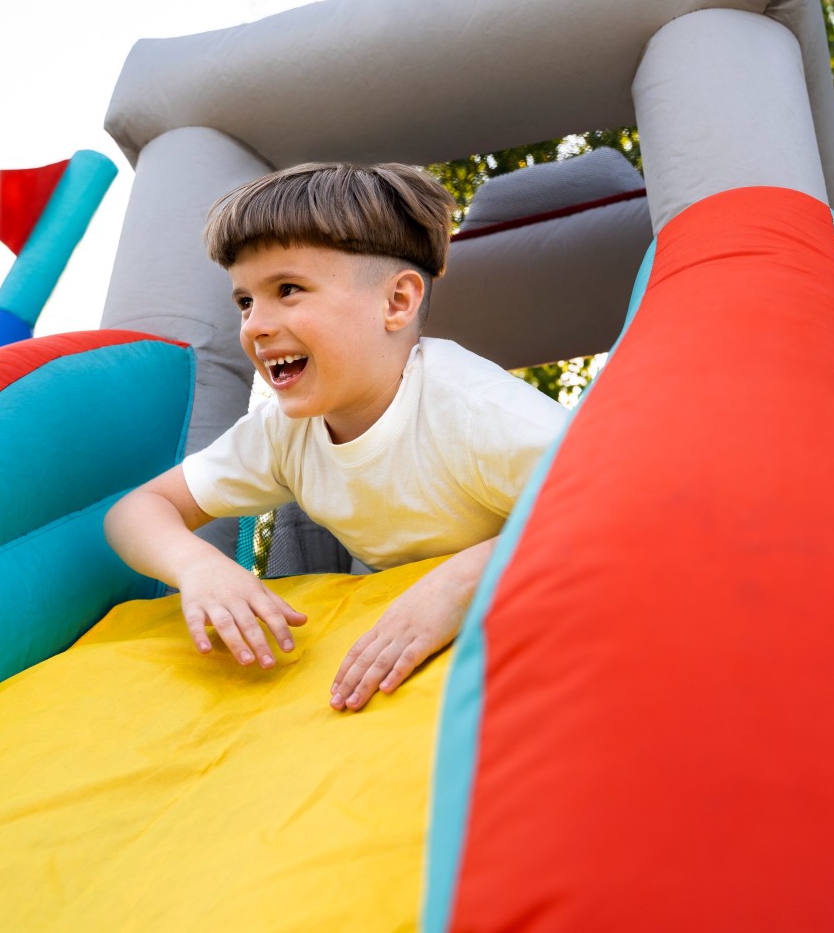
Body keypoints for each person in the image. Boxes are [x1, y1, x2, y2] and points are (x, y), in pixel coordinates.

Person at [104, 162, 568, 711]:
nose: (254, 325)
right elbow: (137, 510)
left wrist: (463, 580)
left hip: (550, 618)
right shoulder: (284, 430)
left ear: (396, 302)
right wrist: (200, 566)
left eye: (288, 288)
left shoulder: (473, 408)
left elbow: (625, 497)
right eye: (245, 301)